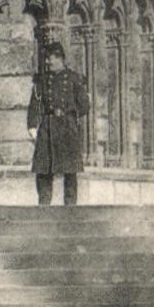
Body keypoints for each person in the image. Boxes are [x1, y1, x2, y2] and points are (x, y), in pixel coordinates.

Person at [26, 40, 90, 206]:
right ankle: (44, 208)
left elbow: (84, 106)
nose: (47, 62)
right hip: (47, 128)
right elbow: (34, 104)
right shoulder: (41, 81)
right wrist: (32, 126)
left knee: (70, 172)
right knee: (43, 170)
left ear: (60, 58)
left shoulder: (74, 79)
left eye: (50, 59)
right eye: (46, 59)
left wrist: (70, 115)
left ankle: (70, 211)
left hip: (67, 129)